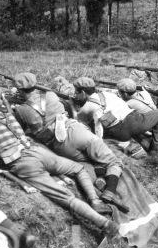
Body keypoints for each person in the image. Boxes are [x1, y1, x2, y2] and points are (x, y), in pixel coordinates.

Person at [0, 94, 118, 236]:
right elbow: (8, 114)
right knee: (78, 168)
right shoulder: (9, 116)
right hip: (37, 152)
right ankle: (94, 200)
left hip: (23, 164)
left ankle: (103, 224)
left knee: (67, 199)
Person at [11, 72, 123, 210]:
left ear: (19, 89)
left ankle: (97, 182)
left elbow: (20, 129)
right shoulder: (51, 95)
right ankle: (110, 190)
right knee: (114, 161)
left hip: (59, 144)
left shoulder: (21, 110)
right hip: (77, 132)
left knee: (84, 163)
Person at [73, 77, 158, 164]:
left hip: (120, 133)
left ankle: (127, 150)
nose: (75, 95)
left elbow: (79, 125)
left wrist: (72, 106)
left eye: (76, 92)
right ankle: (156, 149)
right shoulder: (107, 94)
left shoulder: (86, 108)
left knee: (98, 133)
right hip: (136, 121)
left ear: (83, 92)